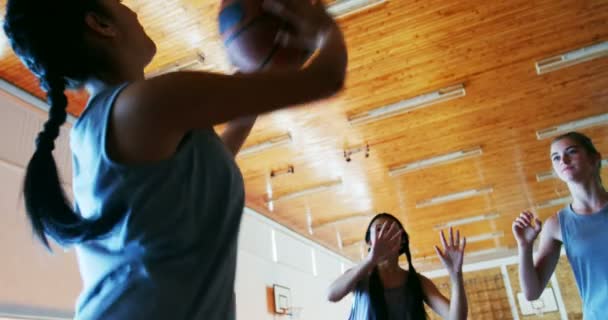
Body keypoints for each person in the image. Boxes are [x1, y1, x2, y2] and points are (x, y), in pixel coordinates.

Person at [3, 0, 347, 318]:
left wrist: (258, 80)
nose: (132, 11)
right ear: (99, 24)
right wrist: (322, 28)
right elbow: (325, 79)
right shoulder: (146, 104)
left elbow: (206, 172)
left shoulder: (113, 120)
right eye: (119, 2)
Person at [512, 132, 608, 319]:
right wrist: (524, 246)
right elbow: (532, 293)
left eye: (571, 152)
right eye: (556, 157)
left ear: (594, 158)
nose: (563, 160)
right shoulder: (556, 225)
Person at [327, 213, 468, 320]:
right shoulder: (360, 276)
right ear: (370, 242)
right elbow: (331, 295)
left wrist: (456, 276)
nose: (385, 235)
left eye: (390, 230)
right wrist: (371, 259)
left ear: (402, 241)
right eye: (379, 230)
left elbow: (456, 318)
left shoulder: (418, 282)